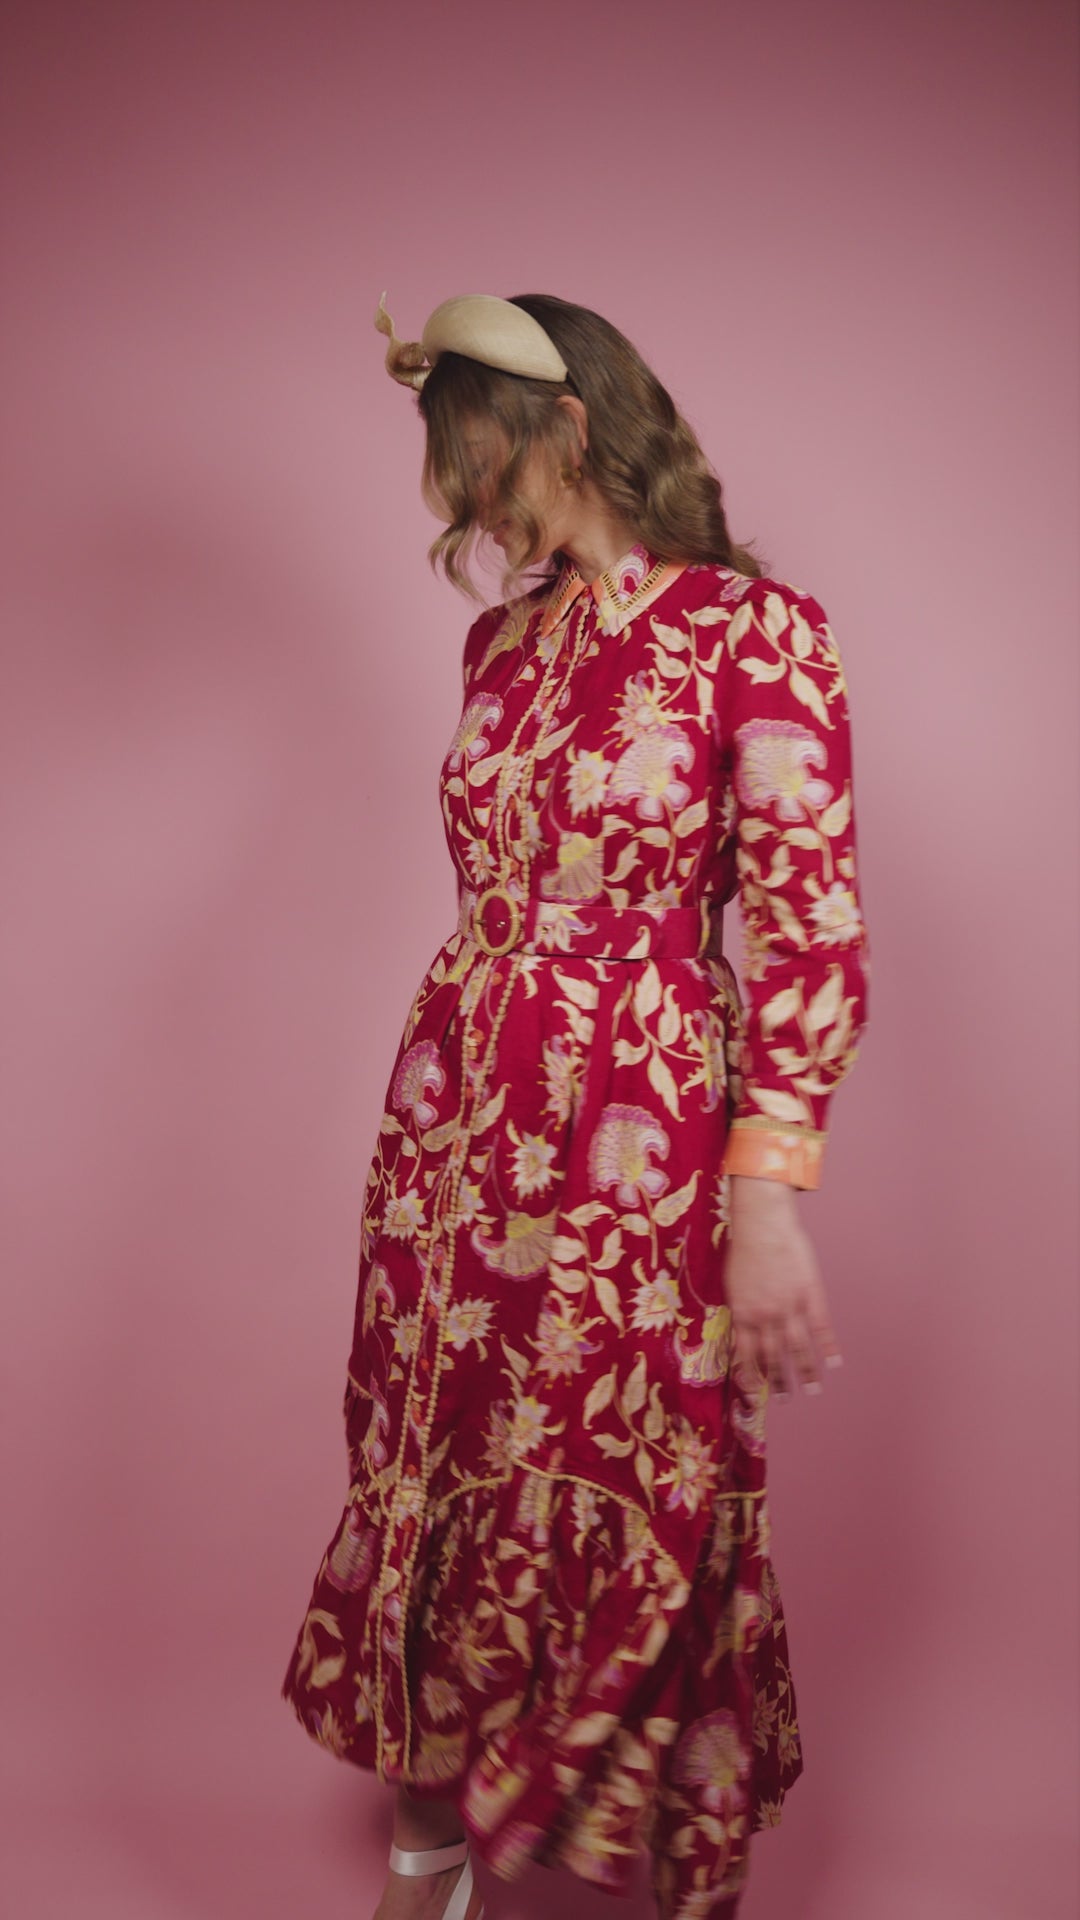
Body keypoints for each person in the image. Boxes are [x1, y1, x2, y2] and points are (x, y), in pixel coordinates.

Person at [281, 289, 871, 1920]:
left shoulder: (756, 632)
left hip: (640, 1130)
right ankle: (427, 1862)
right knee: (425, 1459)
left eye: (478, 461)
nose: (466, 505)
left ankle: (679, 1879)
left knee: (649, 1474)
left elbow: (809, 928)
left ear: (568, 424)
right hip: (452, 1122)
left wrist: (767, 1195)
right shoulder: (501, 643)